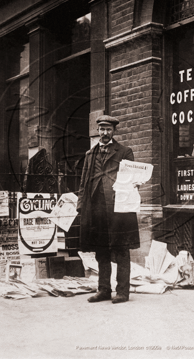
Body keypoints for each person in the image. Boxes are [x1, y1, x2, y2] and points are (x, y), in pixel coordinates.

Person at [76, 115, 140, 303]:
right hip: (96, 208)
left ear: (114, 131)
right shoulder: (90, 154)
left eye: (108, 130)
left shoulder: (124, 152)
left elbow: (133, 178)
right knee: (101, 250)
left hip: (119, 208)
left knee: (121, 250)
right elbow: (83, 182)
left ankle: (122, 292)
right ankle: (104, 289)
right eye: (102, 129)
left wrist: (136, 184)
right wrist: (81, 206)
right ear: (98, 131)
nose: (105, 133)